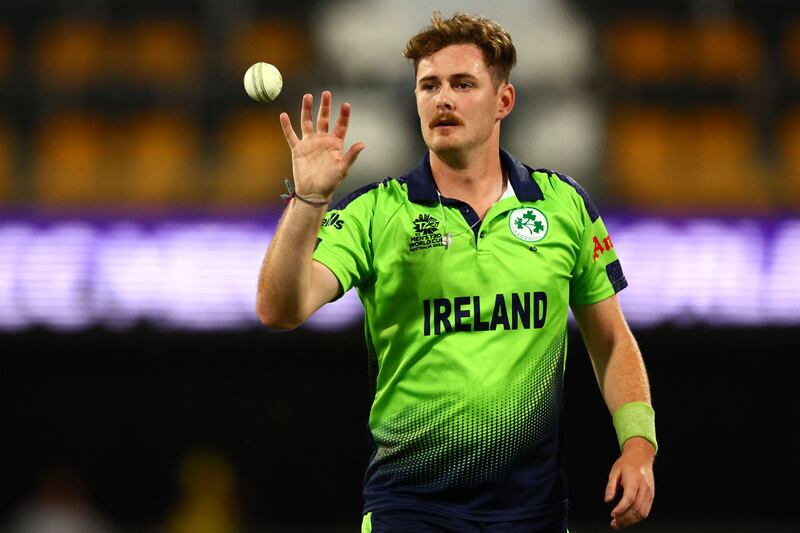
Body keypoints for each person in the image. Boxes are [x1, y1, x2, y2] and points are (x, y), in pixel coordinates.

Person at [257, 12, 656, 533]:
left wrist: (638, 445)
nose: (442, 98)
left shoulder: (563, 206)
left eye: (462, 84)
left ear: (503, 102)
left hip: (531, 512)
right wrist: (308, 199)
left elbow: (611, 340)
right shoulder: (377, 212)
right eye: (429, 86)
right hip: (411, 507)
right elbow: (279, 309)